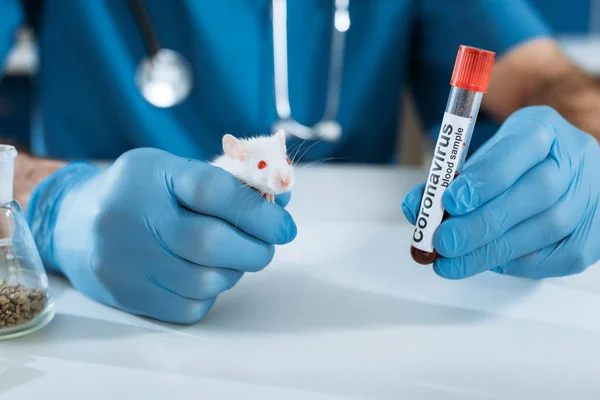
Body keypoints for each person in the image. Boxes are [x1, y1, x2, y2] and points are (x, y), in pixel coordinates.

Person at [0, 0, 598, 323]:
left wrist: (582, 148)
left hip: (363, 308)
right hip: (88, 318)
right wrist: (52, 201)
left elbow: (545, 77)